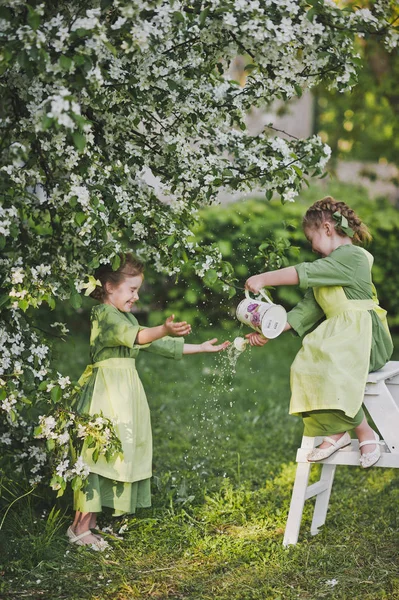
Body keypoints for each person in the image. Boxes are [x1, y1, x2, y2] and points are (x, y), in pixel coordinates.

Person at [67, 253, 229, 549]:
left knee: (116, 453)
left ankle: (90, 524)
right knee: (97, 455)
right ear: (109, 287)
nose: (136, 296)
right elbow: (140, 337)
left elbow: (156, 343)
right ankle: (79, 527)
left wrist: (201, 348)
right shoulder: (103, 315)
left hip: (125, 393)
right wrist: (163, 328)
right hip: (107, 393)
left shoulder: (124, 316)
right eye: (132, 289)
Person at [245, 197, 393, 468]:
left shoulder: (352, 257)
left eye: (312, 239)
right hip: (343, 338)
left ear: (327, 228)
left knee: (330, 363)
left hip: (368, 339)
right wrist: (270, 330)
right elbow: (305, 310)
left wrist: (264, 278)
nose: (313, 249)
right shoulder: (328, 270)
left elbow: (307, 271)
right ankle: (337, 433)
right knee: (305, 366)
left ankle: (362, 431)